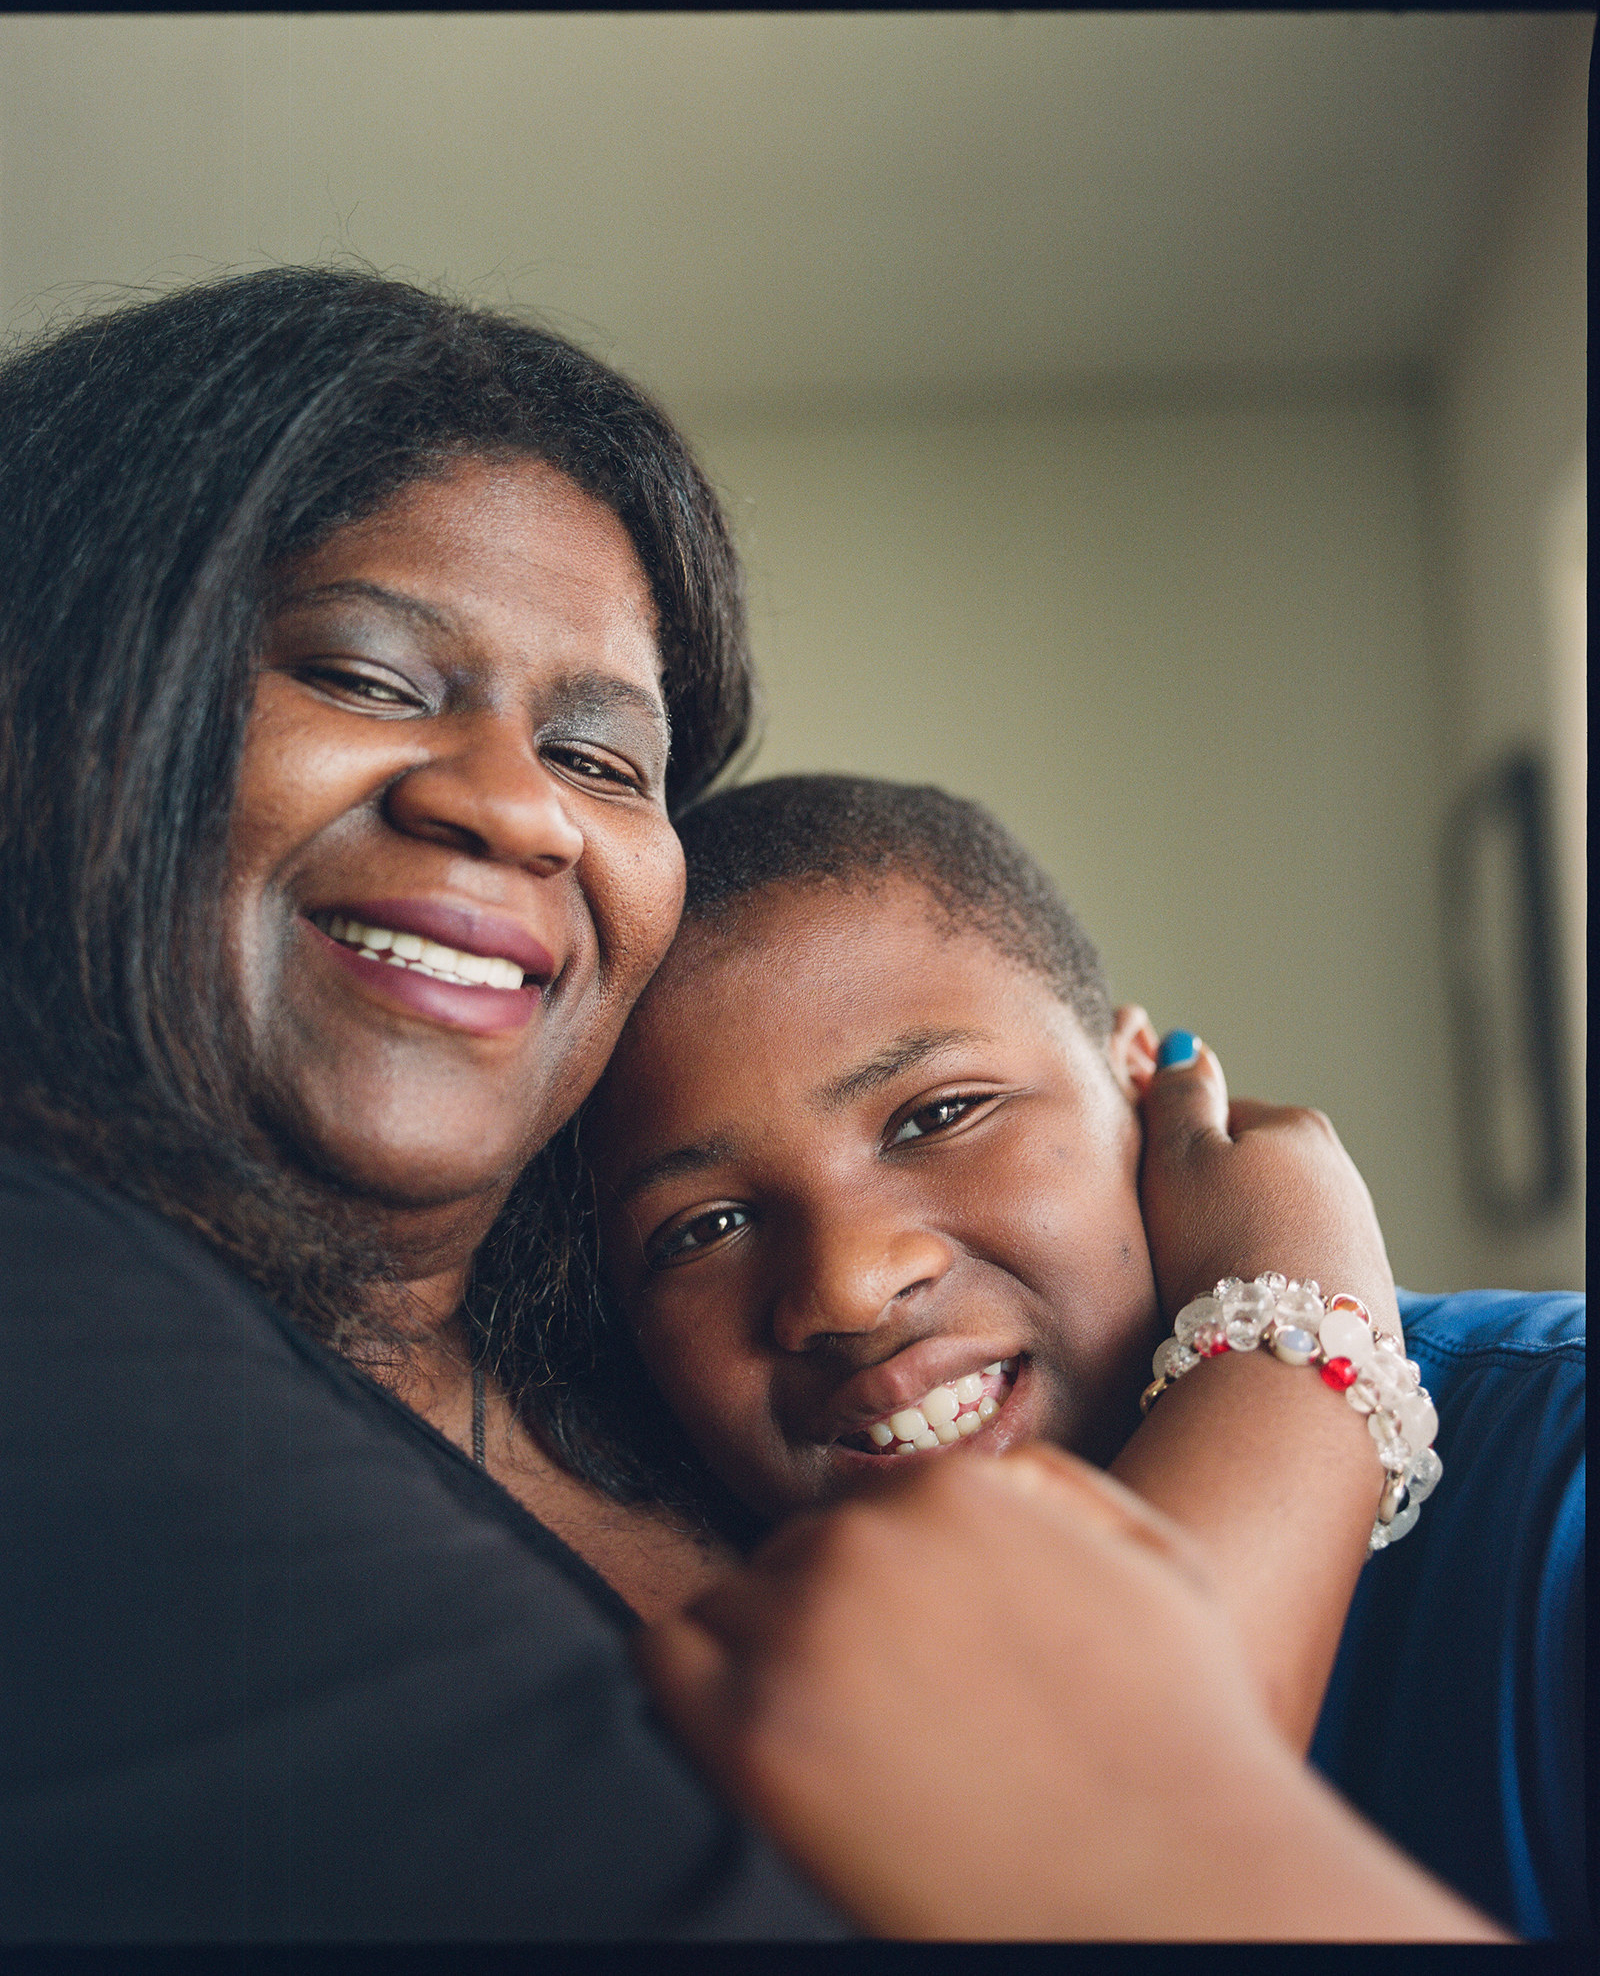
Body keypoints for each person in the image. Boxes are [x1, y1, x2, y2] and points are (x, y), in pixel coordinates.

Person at [0, 270, 1521, 1942]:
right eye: (366, 675)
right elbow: (1042, 1861)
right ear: (50, 697)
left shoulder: (697, 1385)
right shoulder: (63, 1330)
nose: (518, 807)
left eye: (601, 756)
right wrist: (1293, 1352)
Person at [578, 774, 1586, 1941]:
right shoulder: (712, 1693)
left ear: (1142, 1082)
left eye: (936, 1115)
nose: (849, 1285)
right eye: (702, 1229)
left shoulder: (1557, 1472)